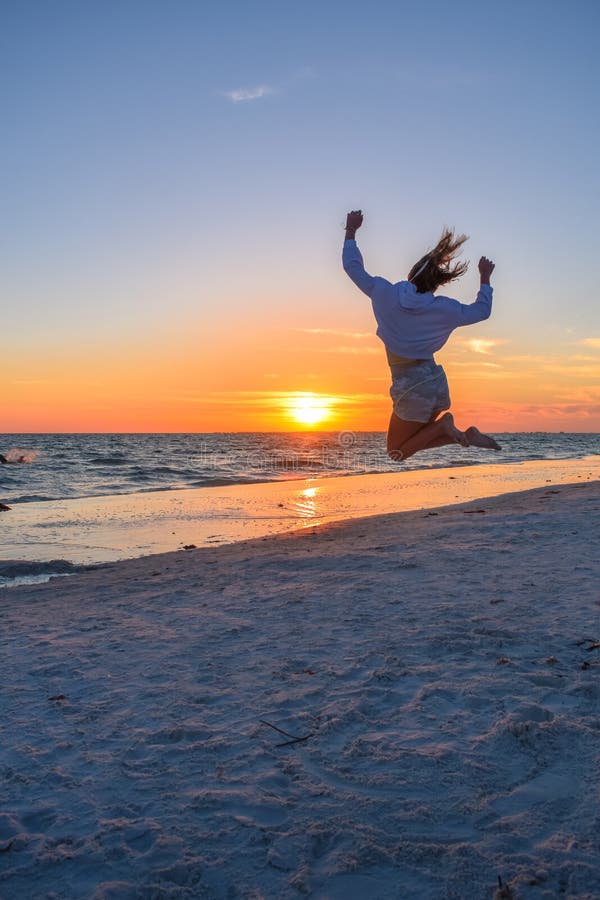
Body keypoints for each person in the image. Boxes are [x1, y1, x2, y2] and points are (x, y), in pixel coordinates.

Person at [342, 210, 501, 461]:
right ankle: (465, 436)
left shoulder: (384, 292)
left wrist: (351, 230)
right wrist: (485, 280)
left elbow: (352, 267)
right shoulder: (444, 308)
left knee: (396, 451)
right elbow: (482, 311)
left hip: (410, 385)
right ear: (436, 283)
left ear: (411, 272)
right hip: (435, 381)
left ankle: (444, 426)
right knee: (412, 442)